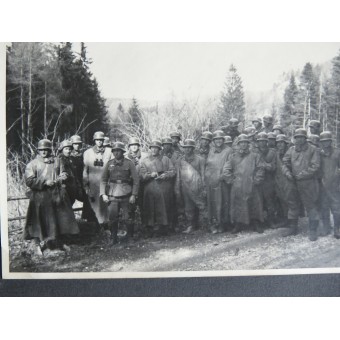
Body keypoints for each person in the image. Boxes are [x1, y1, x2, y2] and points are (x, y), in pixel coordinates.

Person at [24, 139, 79, 255]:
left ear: (50, 150)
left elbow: (64, 172)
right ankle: (38, 244)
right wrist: (44, 182)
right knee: (39, 221)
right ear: (38, 151)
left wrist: (63, 175)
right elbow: (29, 180)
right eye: (41, 150)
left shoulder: (57, 161)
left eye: (46, 150)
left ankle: (58, 242)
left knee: (59, 220)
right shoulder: (32, 164)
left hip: (56, 195)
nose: (44, 152)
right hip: (40, 197)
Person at [282, 128, 320, 241]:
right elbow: (284, 163)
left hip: (308, 183)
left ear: (305, 138)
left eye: (301, 137)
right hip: (293, 182)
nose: (299, 139)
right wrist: (287, 173)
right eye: (297, 137)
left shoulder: (313, 149)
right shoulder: (291, 150)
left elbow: (315, 166)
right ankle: (293, 228)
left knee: (311, 206)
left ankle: (313, 230)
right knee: (293, 204)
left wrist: (302, 175)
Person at [222, 134, 265, 233]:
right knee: (238, 205)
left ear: (248, 144)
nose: (244, 145)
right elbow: (226, 170)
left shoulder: (255, 155)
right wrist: (232, 180)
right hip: (238, 185)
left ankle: (256, 223)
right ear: (238, 144)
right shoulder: (233, 156)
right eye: (241, 143)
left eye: (245, 142)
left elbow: (260, 168)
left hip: (252, 184)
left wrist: (257, 180)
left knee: (254, 204)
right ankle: (238, 224)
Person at [100, 142, 139, 245]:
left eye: (119, 151)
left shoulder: (129, 163)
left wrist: (134, 195)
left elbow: (136, 180)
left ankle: (130, 237)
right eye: (114, 151)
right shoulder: (109, 163)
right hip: (112, 194)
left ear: (122, 152)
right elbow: (103, 180)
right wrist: (103, 194)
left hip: (126, 194)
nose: (116, 153)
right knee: (113, 218)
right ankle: (113, 238)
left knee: (128, 217)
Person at [140, 140, 176, 237]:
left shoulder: (166, 159)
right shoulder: (145, 161)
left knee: (164, 207)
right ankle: (149, 229)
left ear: (160, 149)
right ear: (150, 149)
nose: (154, 149)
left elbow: (173, 171)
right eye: (152, 147)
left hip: (163, 186)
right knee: (149, 207)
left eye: (156, 148)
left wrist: (166, 175)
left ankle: (164, 227)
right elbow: (141, 175)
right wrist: (150, 175)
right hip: (150, 186)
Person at [175, 139, 206, 234]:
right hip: (185, 186)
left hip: (197, 186)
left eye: (189, 148)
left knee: (202, 205)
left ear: (193, 148)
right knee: (188, 207)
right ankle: (191, 226)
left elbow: (203, 174)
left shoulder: (200, 159)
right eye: (185, 148)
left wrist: (204, 187)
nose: (187, 150)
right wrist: (178, 188)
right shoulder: (180, 160)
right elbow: (178, 175)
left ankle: (204, 225)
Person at [205, 130, 233, 233]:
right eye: (216, 139)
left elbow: (229, 165)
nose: (218, 141)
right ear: (213, 141)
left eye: (220, 139)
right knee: (212, 203)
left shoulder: (229, 150)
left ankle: (222, 224)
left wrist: (222, 177)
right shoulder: (211, 150)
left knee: (223, 202)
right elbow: (208, 165)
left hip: (222, 181)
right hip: (211, 181)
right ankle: (213, 224)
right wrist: (207, 178)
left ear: (223, 140)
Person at [83, 131, 112, 229]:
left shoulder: (109, 152)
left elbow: (113, 167)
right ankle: (97, 226)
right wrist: (86, 185)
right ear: (94, 141)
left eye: (101, 140)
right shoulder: (87, 153)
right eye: (97, 140)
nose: (99, 142)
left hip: (106, 183)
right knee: (95, 205)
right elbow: (85, 171)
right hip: (93, 183)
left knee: (106, 204)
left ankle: (107, 225)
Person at [319, 131, 340, 239]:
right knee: (324, 207)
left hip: (335, 186)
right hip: (323, 185)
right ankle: (326, 227)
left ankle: (337, 228)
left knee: (336, 208)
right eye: (323, 141)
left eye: (327, 141)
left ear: (330, 141)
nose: (325, 143)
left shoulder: (337, 152)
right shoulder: (319, 153)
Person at [125, 137, 148, 230]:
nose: (134, 147)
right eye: (132, 145)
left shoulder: (144, 156)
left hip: (143, 184)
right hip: (130, 185)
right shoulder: (125, 157)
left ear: (138, 146)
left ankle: (146, 227)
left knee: (144, 207)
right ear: (129, 147)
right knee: (130, 208)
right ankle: (131, 231)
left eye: (135, 145)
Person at [256, 132, 277, 229]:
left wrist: (262, 164)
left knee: (270, 202)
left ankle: (271, 221)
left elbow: (272, 167)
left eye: (263, 141)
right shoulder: (254, 152)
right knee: (258, 201)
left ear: (267, 142)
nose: (261, 143)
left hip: (268, 180)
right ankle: (259, 222)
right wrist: (265, 165)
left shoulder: (272, 152)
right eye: (259, 141)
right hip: (257, 180)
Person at [274, 134, 293, 228]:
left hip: (289, 180)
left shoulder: (290, 152)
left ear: (286, 143)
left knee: (290, 201)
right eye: (278, 143)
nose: (279, 145)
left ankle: (292, 222)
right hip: (279, 180)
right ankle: (286, 219)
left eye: (281, 143)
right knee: (282, 200)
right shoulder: (276, 153)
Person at [57, 140, 82, 205]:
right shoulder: (58, 160)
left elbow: (75, 174)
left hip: (72, 188)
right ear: (62, 150)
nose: (68, 151)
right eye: (66, 149)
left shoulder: (72, 160)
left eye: (70, 149)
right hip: (63, 189)